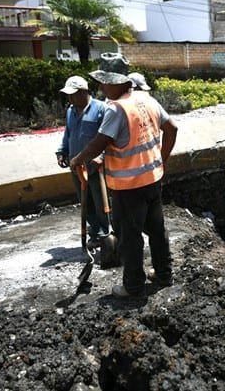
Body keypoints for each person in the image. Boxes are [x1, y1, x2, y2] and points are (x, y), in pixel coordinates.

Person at [69, 53, 178, 299]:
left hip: (128, 187)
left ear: (116, 82)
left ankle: (133, 286)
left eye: (104, 81)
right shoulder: (145, 99)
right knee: (157, 231)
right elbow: (170, 129)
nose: (101, 87)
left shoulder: (117, 108)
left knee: (130, 238)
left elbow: (100, 142)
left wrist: (78, 159)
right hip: (152, 179)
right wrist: (162, 160)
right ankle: (164, 274)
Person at [56, 75, 109, 249]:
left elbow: (107, 138)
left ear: (84, 92)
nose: (70, 98)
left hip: (95, 167)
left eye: (73, 94)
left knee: (101, 202)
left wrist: (101, 157)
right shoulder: (71, 111)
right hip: (77, 166)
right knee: (86, 202)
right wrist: (62, 152)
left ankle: (107, 234)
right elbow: (68, 133)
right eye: (68, 95)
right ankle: (94, 232)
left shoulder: (101, 109)